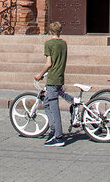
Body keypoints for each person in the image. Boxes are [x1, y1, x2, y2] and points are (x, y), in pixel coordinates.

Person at [34, 19, 74, 147]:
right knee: (46, 103)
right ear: (60, 31)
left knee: (53, 107)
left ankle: (58, 136)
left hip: (53, 78)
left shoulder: (49, 44)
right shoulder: (64, 44)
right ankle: (53, 129)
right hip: (60, 76)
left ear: (50, 31)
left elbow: (49, 63)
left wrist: (40, 74)